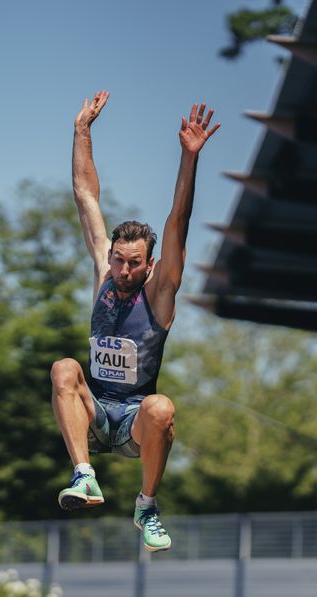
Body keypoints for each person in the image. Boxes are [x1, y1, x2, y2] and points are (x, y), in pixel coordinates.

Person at [51, 91, 220, 552]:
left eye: (134, 264)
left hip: (133, 423)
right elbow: (85, 195)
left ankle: (146, 505)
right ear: (110, 256)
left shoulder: (159, 292)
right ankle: (84, 475)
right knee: (65, 368)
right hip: (96, 411)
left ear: (150, 265)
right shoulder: (104, 274)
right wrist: (81, 131)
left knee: (162, 406)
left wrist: (189, 159)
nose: (124, 271)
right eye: (119, 261)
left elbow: (178, 221)